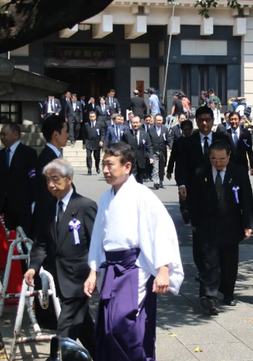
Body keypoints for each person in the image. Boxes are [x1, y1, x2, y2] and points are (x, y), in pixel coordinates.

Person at [84, 142, 184, 361]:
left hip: (134, 269)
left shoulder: (142, 195)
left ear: (127, 166)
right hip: (111, 268)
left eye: (110, 165)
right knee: (107, 328)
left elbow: (160, 231)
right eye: (103, 165)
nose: (105, 170)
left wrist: (163, 269)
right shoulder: (105, 198)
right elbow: (98, 237)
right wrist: (93, 271)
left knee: (128, 327)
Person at [25, 159, 97, 358]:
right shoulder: (47, 207)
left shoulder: (85, 206)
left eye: (55, 179)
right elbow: (41, 243)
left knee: (65, 330)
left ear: (69, 179)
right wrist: (33, 267)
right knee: (85, 329)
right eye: (48, 180)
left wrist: (94, 273)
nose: (51, 185)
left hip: (79, 280)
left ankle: (56, 357)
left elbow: (96, 244)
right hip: (59, 277)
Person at [188, 140, 253, 315]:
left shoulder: (238, 172)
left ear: (229, 156)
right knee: (209, 260)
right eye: (214, 159)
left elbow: (246, 199)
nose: (217, 163)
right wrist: (194, 222)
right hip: (206, 224)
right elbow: (193, 200)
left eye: (222, 159)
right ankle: (208, 297)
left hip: (231, 224)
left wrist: (247, 224)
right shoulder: (200, 172)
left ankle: (228, 292)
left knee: (229, 261)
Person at [175, 106, 232, 276]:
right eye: (201, 120)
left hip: (220, 193)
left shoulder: (223, 139)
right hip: (196, 196)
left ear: (213, 121)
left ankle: (218, 269)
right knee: (199, 234)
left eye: (208, 119)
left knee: (221, 233)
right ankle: (203, 270)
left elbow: (233, 163)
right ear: (196, 122)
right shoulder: (187, 142)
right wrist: (182, 185)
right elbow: (181, 166)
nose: (205, 123)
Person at [0, 123, 37, 237]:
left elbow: (33, 179)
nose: (2, 138)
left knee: (26, 241)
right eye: (0, 135)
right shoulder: (1, 155)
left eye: (4, 134)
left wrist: (34, 202)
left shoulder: (28, 153)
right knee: (11, 242)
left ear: (15, 134)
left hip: (24, 207)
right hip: (7, 208)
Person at [32, 115, 68, 234]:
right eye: (65, 131)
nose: (67, 135)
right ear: (56, 135)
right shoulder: (48, 159)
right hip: (49, 220)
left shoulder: (53, 155)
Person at [167, 120, 195, 224]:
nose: (187, 132)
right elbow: (173, 157)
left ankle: (191, 210)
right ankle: (184, 210)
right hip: (181, 171)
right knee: (183, 192)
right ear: (182, 130)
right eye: (185, 130)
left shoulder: (195, 140)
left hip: (194, 172)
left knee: (192, 192)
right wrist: (169, 170)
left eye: (189, 129)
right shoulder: (178, 142)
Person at [121, 115, 153, 183]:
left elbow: (149, 146)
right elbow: (123, 146)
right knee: (131, 178)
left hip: (141, 160)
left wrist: (151, 156)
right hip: (131, 159)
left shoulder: (145, 134)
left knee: (140, 179)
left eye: (136, 123)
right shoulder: (126, 134)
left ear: (140, 123)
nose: (135, 124)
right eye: (133, 123)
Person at [148, 114, 170, 190]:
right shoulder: (151, 129)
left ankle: (161, 181)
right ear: (155, 121)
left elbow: (168, 139)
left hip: (162, 151)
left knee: (161, 167)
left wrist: (170, 145)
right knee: (155, 167)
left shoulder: (165, 129)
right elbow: (149, 141)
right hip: (154, 150)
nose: (159, 122)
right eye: (158, 120)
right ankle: (156, 182)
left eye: (160, 120)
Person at [82, 111, 103, 175]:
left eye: (93, 116)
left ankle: (97, 167)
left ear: (95, 117)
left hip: (97, 142)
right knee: (88, 156)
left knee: (97, 157)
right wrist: (84, 143)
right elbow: (84, 134)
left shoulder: (99, 124)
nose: (92, 118)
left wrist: (102, 140)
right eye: (90, 117)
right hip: (88, 142)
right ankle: (89, 169)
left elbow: (102, 133)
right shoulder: (86, 124)